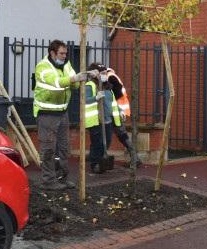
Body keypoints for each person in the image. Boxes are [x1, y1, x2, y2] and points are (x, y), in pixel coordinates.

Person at [33, 40, 98, 191]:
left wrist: (82, 77)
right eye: (61, 53)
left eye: (65, 53)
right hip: (46, 113)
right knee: (48, 148)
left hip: (62, 113)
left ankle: (61, 177)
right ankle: (47, 181)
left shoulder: (66, 64)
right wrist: (75, 78)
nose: (64, 56)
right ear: (52, 53)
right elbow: (57, 82)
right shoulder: (43, 66)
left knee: (62, 148)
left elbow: (74, 84)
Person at [85, 63, 123, 173]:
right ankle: (94, 163)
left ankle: (102, 160)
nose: (105, 75)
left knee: (107, 142)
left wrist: (120, 110)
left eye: (106, 73)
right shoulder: (90, 86)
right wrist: (95, 98)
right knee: (97, 143)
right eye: (102, 73)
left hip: (108, 120)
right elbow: (85, 100)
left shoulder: (107, 87)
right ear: (95, 74)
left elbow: (113, 102)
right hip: (96, 120)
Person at [106, 67, 141, 167]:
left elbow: (117, 93)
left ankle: (136, 158)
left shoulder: (111, 77)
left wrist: (109, 99)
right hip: (118, 109)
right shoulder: (113, 76)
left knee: (122, 134)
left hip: (117, 110)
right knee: (121, 134)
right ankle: (135, 158)